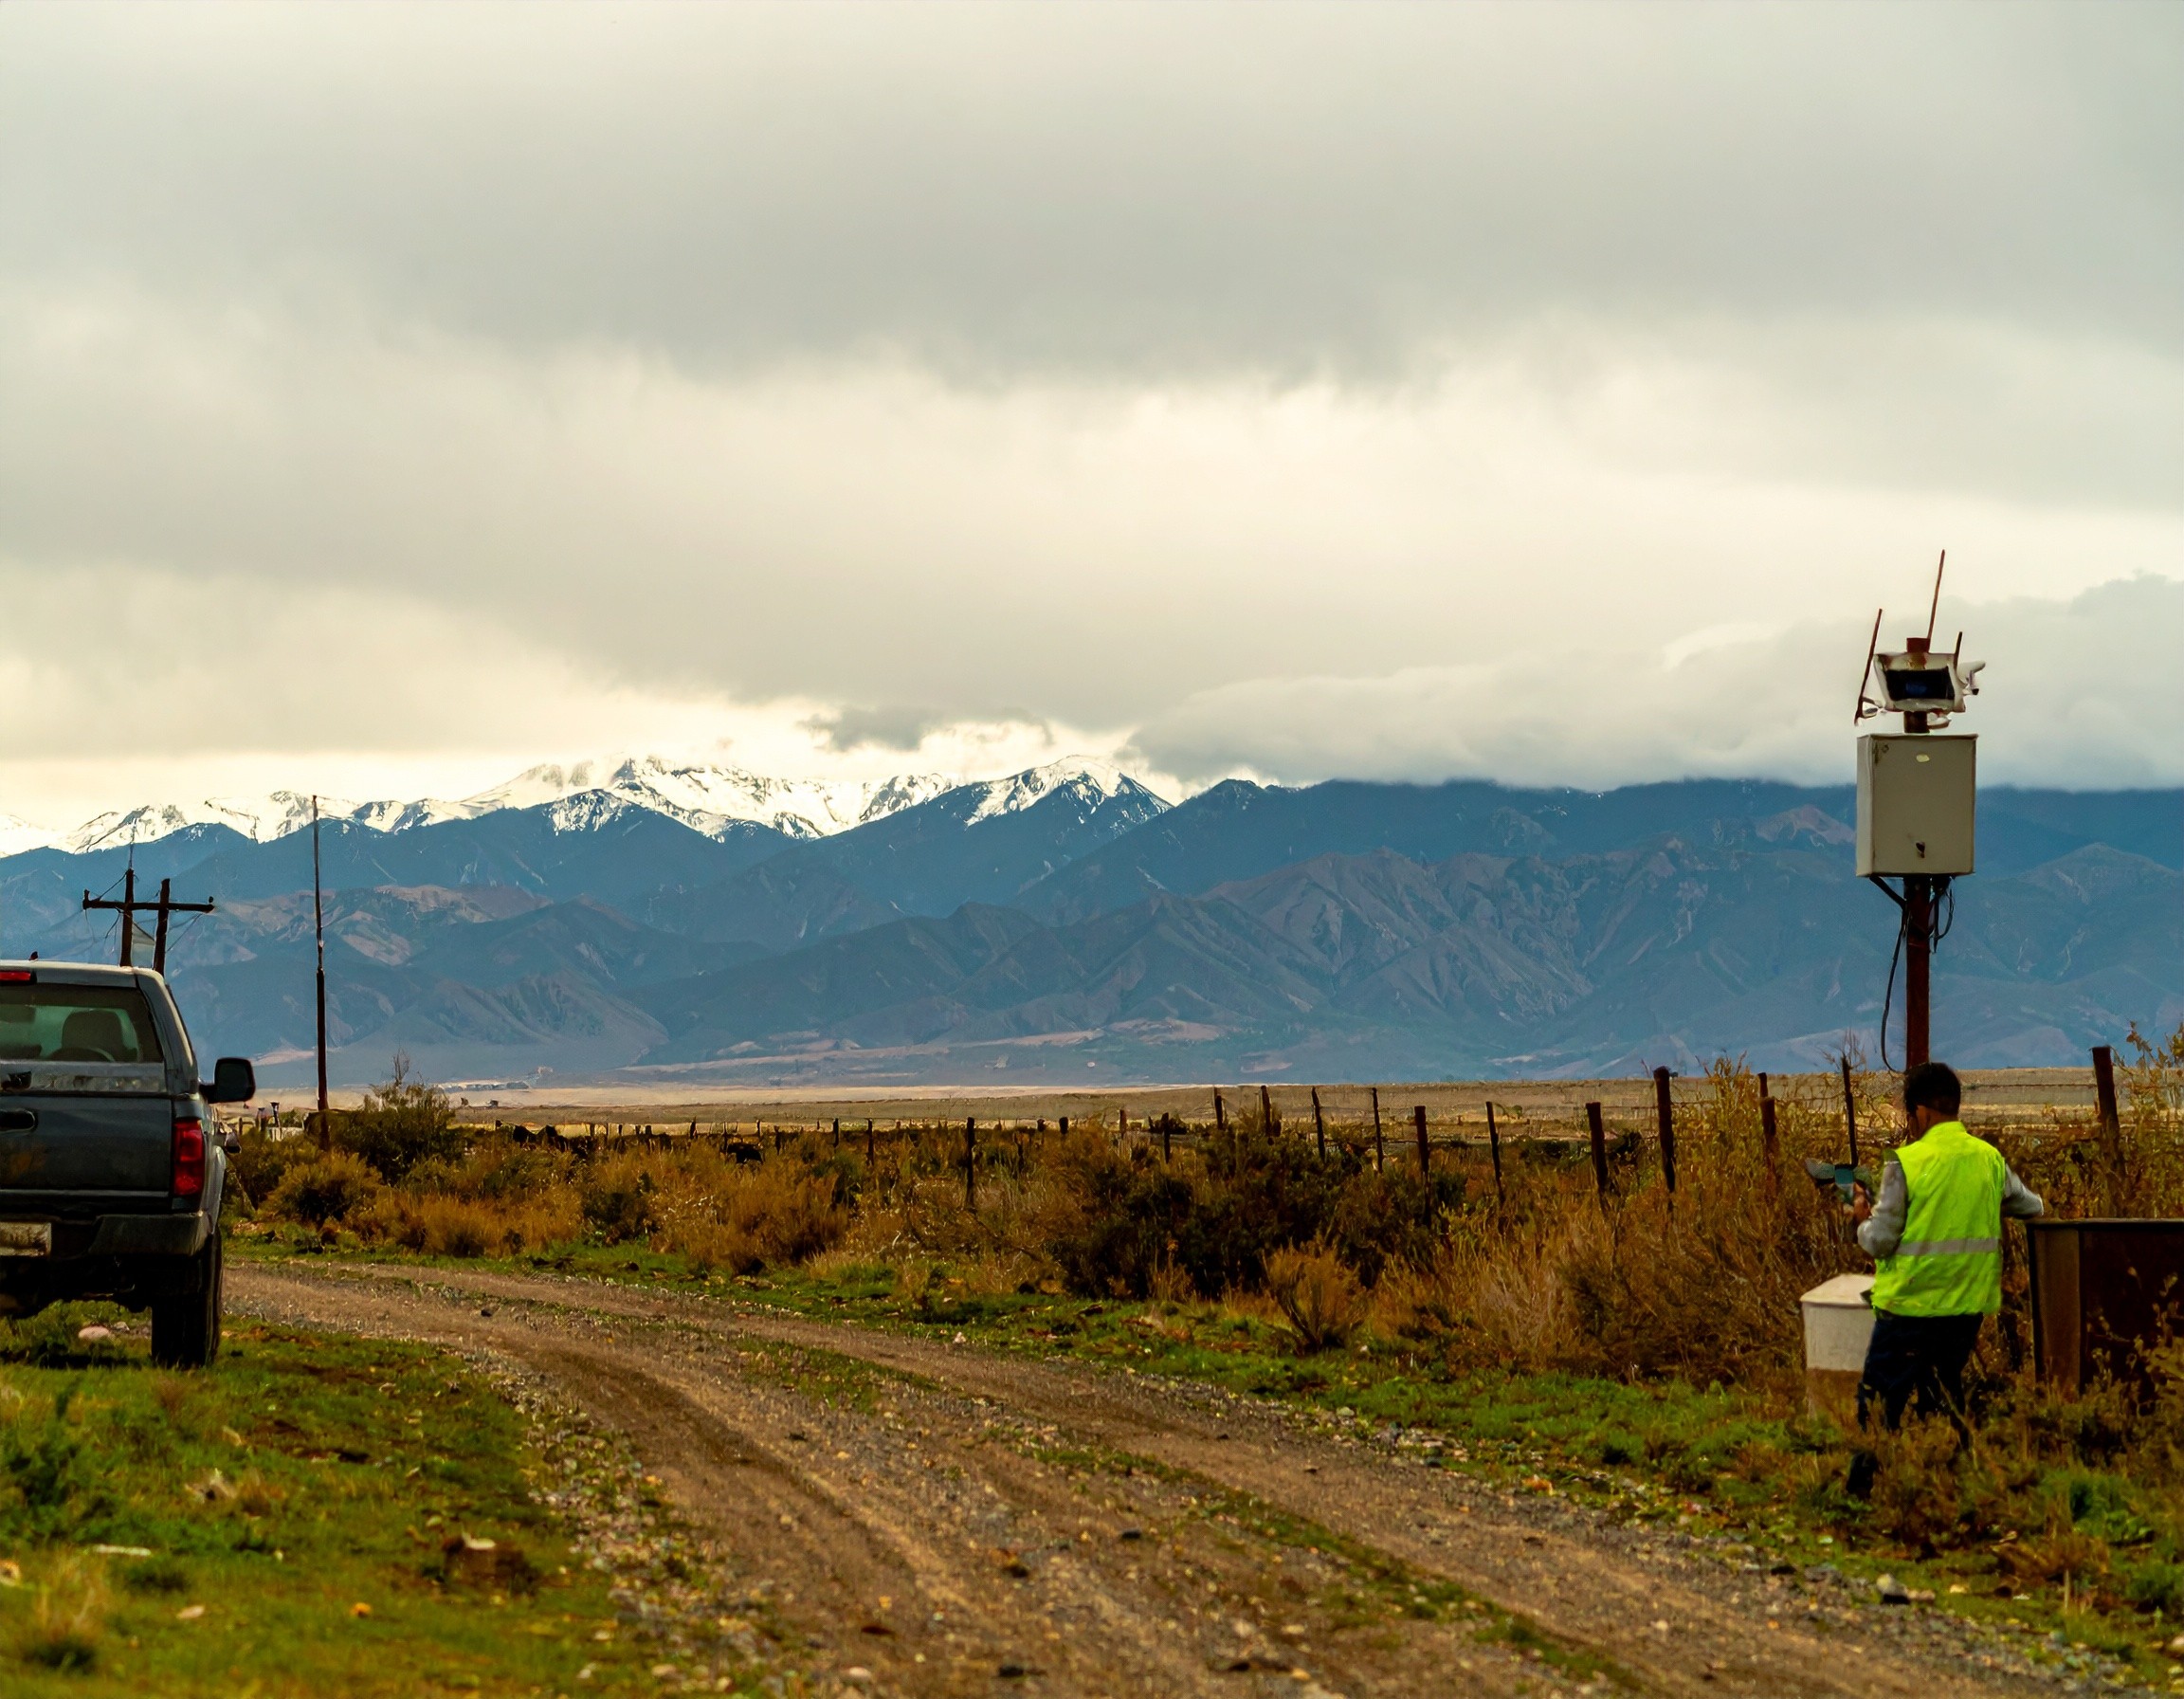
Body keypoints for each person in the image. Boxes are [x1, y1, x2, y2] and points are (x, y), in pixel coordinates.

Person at [1849, 1060, 2043, 1437]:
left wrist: (1860, 1218)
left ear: (1920, 1111)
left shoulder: (1905, 1163)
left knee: (1876, 1411)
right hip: (1966, 1311)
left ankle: (1866, 1489)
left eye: (1909, 1114)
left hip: (1909, 1310)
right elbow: (2033, 1207)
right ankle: (1954, 1477)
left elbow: (1881, 1241)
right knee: (1947, 1401)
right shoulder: (1989, 1160)